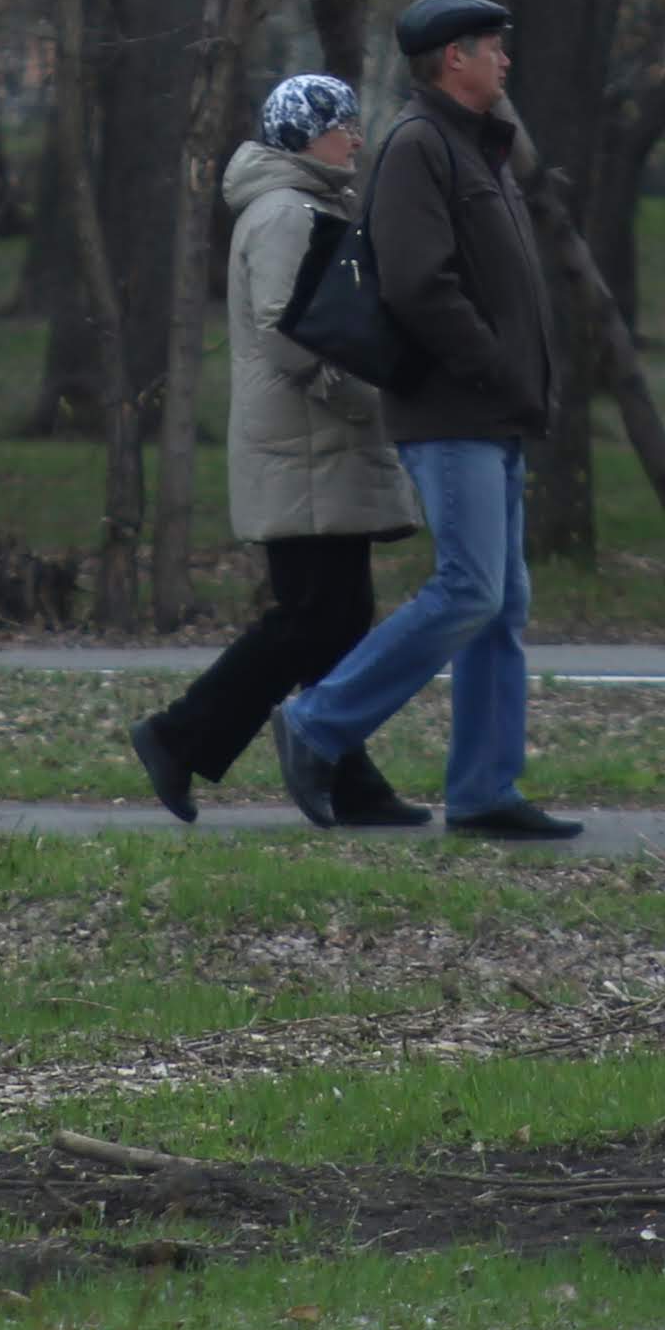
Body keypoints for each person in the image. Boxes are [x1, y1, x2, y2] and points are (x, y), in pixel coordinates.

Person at [270, 0, 583, 841]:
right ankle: (316, 721)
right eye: (493, 45)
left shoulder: (478, 145)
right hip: (453, 408)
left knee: (500, 602)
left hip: (495, 409)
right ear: (455, 58)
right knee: (470, 587)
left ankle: (483, 791)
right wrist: (492, 363)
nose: (505, 58)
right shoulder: (419, 145)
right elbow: (417, 284)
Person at [125, 75, 431, 827]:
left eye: (355, 123)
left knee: (337, 617)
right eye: (340, 125)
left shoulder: (310, 205)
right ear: (301, 134)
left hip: (317, 446)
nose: (355, 137)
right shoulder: (285, 212)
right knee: (311, 616)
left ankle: (349, 781)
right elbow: (290, 334)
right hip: (305, 446)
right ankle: (177, 735)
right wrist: (366, 397)